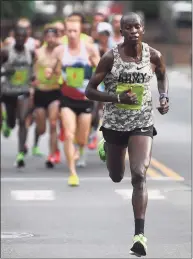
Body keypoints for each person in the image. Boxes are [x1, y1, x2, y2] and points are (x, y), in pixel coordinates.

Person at [85, 12, 169, 257]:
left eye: (137, 27)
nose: (133, 31)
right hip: (114, 124)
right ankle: (107, 147)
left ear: (143, 29)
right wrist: (116, 97)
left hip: (142, 122)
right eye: (128, 28)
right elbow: (90, 90)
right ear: (121, 31)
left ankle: (139, 236)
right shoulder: (110, 58)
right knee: (115, 175)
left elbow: (162, 76)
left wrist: (163, 98)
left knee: (139, 174)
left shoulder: (154, 56)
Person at [52, 19, 100, 186]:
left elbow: (101, 72)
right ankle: (72, 172)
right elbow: (53, 69)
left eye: (75, 31)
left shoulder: (89, 49)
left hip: (85, 100)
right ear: (65, 32)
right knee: (69, 134)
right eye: (69, 31)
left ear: (80, 32)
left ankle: (80, 149)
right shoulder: (59, 50)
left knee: (81, 138)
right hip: (67, 100)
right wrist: (51, 70)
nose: (72, 34)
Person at [0, 26, 34, 167]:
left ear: (26, 38)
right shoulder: (6, 51)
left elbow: (33, 70)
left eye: (23, 36)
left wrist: (33, 83)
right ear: (14, 37)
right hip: (8, 92)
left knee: (22, 120)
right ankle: (6, 123)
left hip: (23, 91)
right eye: (18, 36)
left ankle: (20, 152)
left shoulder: (31, 53)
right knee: (12, 123)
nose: (20, 39)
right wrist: (5, 71)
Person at [32, 26, 62, 166]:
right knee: (42, 128)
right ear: (44, 38)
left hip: (55, 92)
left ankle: (52, 154)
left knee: (53, 123)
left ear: (57, 37)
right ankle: (38, 136)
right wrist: (31, 81)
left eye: (53, 36)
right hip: (40, 92)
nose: (50, 39)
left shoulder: (60, 52)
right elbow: (30, 68)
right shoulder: (37, 52)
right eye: (48, 36)